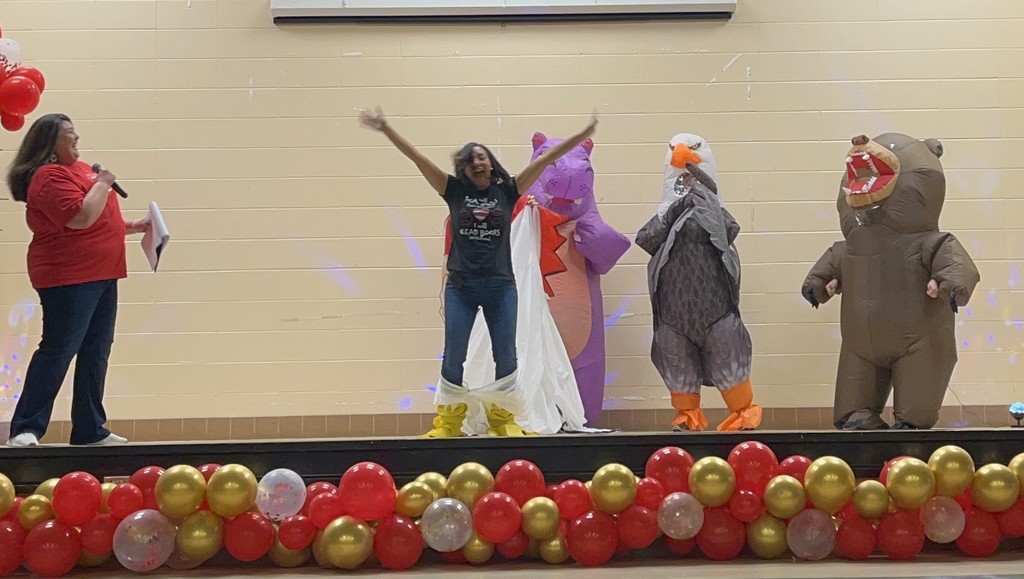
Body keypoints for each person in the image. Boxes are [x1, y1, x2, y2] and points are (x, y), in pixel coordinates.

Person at [358, 107, 598, 437]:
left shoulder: (508, 190)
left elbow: (543, 162)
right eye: (470, 159)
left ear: (490, 162)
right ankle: (449, 422)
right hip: (463, 287)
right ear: (464, 167)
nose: (477, 162)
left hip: (501, 287)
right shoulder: (453, 191)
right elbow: (417, 158)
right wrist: (386, 128)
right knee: (455, 354)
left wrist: (579, 136)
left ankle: (503, 420)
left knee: (507, 355)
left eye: (482, 156)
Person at [5, 113, 150, 447]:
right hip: (69, 276)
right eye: (69, 133)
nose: (77, 137)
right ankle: (26, 427)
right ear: (51, 143)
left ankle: (90, 430)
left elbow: (99, 216)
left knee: (96, 350)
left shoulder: (82, 171)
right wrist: (102, 183)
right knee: (58, 349)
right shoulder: (48, 176)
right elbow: (80, 217)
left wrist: (132, 226)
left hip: (103, 273)